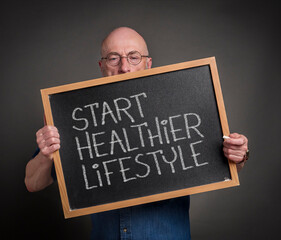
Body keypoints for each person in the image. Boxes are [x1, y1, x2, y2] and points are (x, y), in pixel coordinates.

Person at [25, 27, 249, 239]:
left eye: (134, 57)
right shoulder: (75, 117)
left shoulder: (180, 105)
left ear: (148, 63)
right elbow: (32, 183)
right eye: (113, 58)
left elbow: (225, 165)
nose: (124, 67)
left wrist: (238, 155)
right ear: (101, 66)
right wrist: (46, 154)